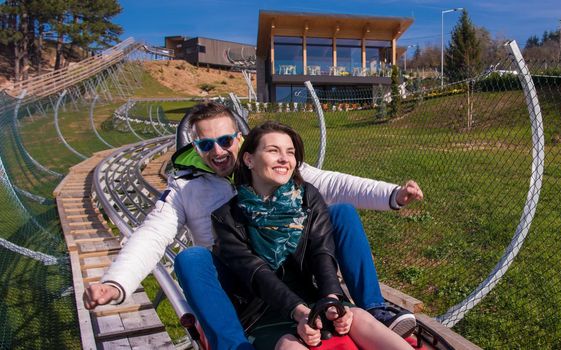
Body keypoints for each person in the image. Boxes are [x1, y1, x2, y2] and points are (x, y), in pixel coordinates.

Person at [82, 102, 423, 349]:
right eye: (205, 144)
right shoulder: (187, 189)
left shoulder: (272, 168)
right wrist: (116, 283)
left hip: (290, 269)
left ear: (241, 141)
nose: (217, 151)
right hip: (239, 278)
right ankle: (234, 343)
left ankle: (373, 306)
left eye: (225, 140)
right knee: (191, 259)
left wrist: (392, 194)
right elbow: (152, 235)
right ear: (195, 149)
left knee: (342, 212)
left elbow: (334, 184)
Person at [212, 120, 412, 350]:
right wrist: (300, 313)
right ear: (249, 159)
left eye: (290, 152)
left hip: (313, 296)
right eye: (273, 151)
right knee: (290, 346)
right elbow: (256, 274)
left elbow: (321, 251)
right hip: (264, 310)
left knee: (363, 320)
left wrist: (332, 300)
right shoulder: (225, 217)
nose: (284, 159)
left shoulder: (308, 196)